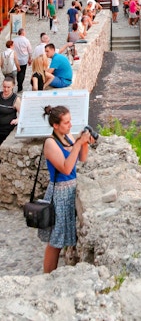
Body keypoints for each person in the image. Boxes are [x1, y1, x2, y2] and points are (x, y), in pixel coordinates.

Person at [39, 105, 94, 272]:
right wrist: (77, 144)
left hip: (71, 190)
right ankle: (47, 276)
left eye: (70, 122)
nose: (70, 125)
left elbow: (82, 159)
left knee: (61, 237)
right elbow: (66, 168)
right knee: (55, 241)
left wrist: (84, 143)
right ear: (56, 125)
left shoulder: (67, 136)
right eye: (66, 122)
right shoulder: (50, 143)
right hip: (60, 193)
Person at [0, 76, 21, 145]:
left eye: (8, 87)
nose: (6, 89)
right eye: (4, 87)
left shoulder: (15, 99)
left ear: (13, 86)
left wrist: (17, 120)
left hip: (6, 129)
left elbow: (22, 114)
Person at [13, 28, 32, 93]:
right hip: (24, 59)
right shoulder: (26, 40)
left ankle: (19, 82)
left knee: (17, 72)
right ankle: (20, 85)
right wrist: (30, 59)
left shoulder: (14, 40)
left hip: (16, 59)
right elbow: (30, 51)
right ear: (23, 33)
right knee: (22, 72)